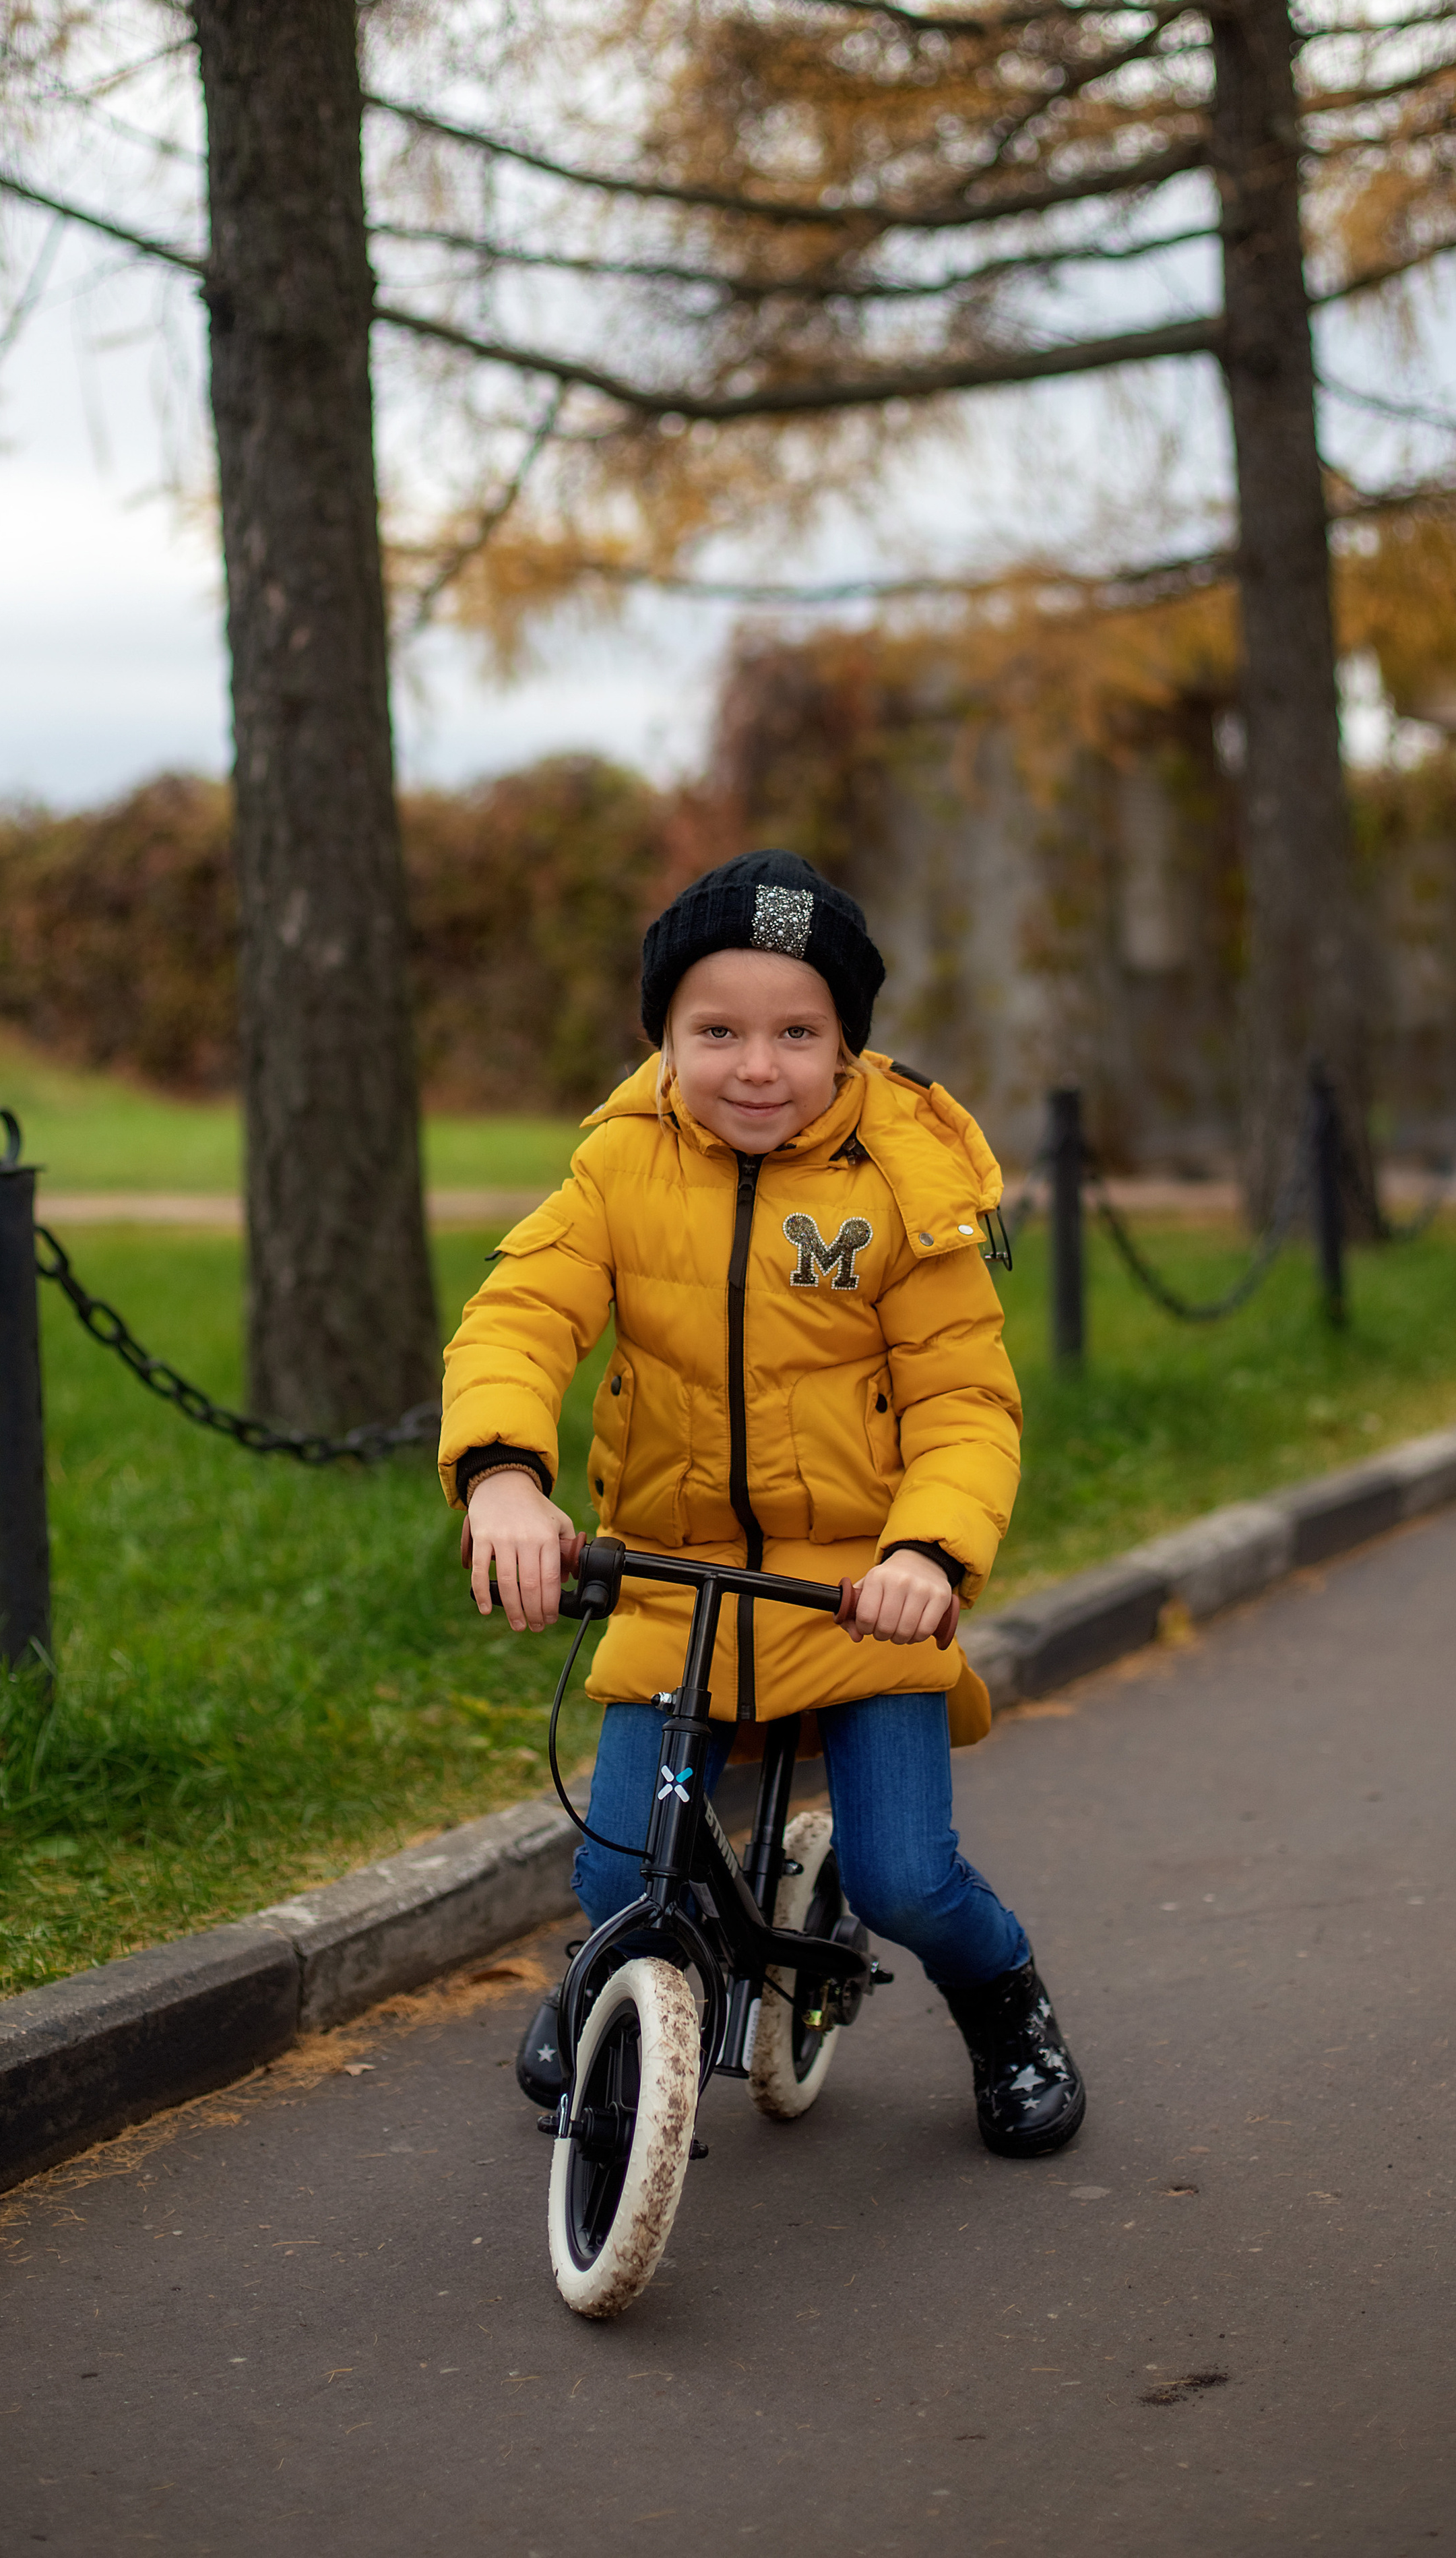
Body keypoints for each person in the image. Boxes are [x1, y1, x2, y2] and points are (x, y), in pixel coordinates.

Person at [441, 848, 1084, 2159]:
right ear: (662, 1036)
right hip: (673, 1579)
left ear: (846, 1042)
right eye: (714, 1030)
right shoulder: (617, 1173)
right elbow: (519, 1317)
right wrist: (505, 1476)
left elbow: (965, 1403)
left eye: (797, 1032)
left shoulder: (903, 1193)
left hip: (858, 1593)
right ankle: (618, 1975)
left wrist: (925, 1550)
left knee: (906, 1878)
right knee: (619, 1873)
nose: (754, 1065)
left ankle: (1004, 2002)